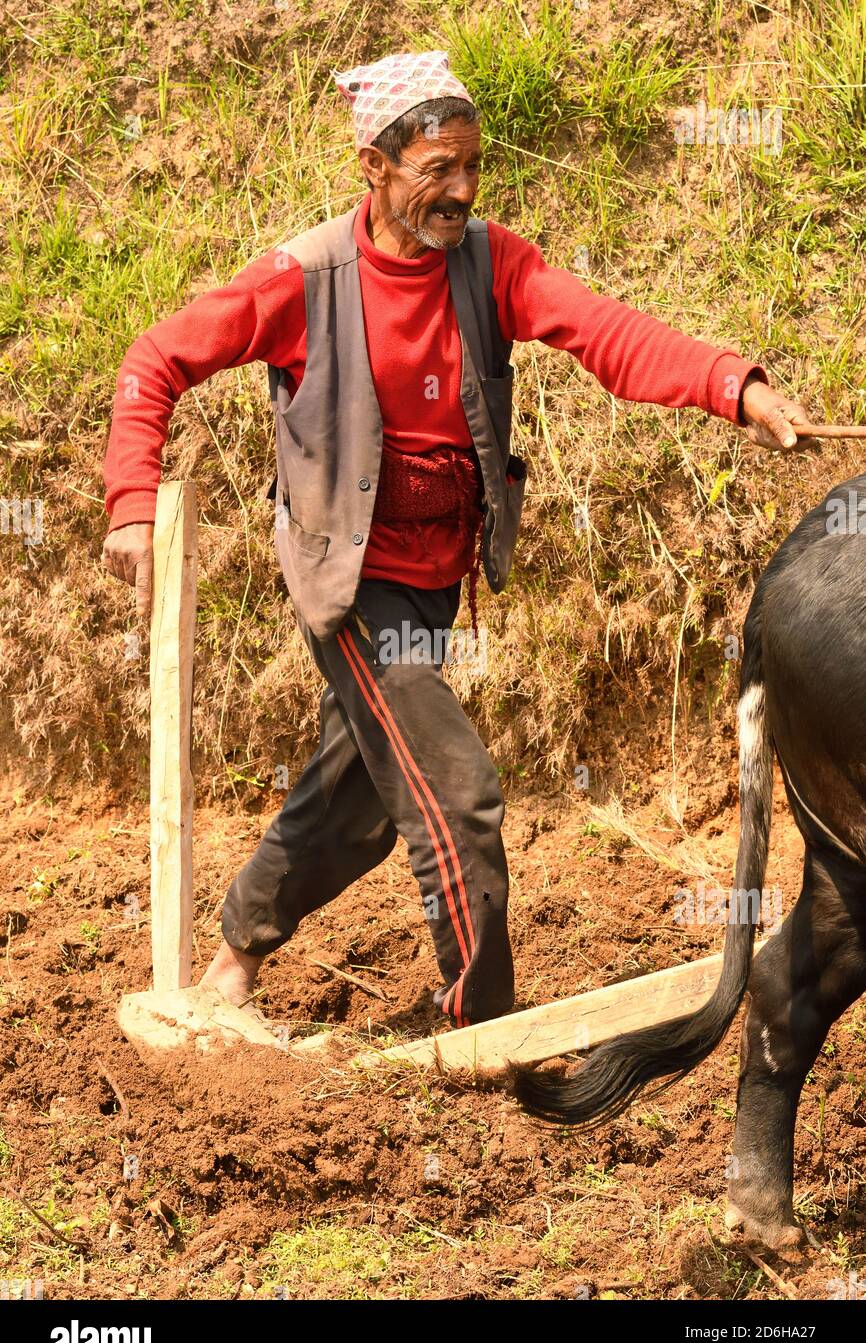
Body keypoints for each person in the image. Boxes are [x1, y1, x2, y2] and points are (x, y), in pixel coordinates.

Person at [101, 50, 815, 1030]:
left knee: (352, 805)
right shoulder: (305, 280)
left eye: (470, 167)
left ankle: (229, 963)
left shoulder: (489, 262)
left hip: (434, 577)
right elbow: (155, 360)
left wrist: (732, 385)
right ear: (373, 166)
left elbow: (604, 332)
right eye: (436, 169)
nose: (460, 190)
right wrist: (132, 504)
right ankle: (478, 1018)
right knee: (458, 791)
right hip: (348, 580)